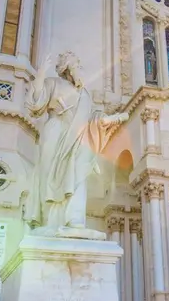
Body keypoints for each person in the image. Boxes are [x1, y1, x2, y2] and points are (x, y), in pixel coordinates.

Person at [26, 52, 127, 235]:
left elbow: (93, 119)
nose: (81, 69)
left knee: (78, 175)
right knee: (49, 176)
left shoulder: (84, 94)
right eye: (77, 65)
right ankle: (50, 221)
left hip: (78, 140)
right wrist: (40, 76)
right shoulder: (53, 83)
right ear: (68, 68)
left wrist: (111, 118)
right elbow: (36, 104)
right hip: (55, 133)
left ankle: (74, 219)